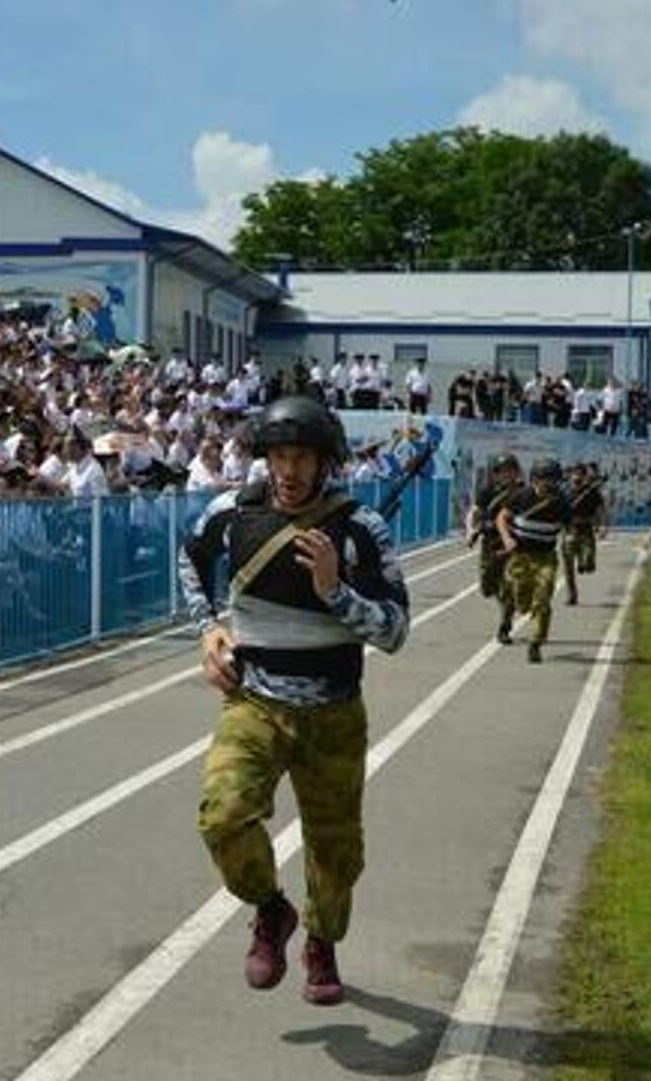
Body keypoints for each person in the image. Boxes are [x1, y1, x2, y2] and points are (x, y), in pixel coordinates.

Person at [179, 395, 410, 1007]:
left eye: (303, 457)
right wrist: (207, 627)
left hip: (334, 712)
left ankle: (321, 942)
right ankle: (270, 910)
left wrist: (336, 591)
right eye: (279, 456)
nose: (289, 470)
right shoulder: (231, 512)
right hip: (252, 702)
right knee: (223, 815)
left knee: (335, 848)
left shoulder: (362, 528)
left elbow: (394, 632)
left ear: (326, 462)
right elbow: (190, 558)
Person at [495, 457, 567, 663]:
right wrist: (507, 539)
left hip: (545, 558)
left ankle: (536, 642)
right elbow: (501, 517)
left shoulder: (561, 502)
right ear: (535, 479)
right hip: (520, 557)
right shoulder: (521, 496)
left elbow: (568, 524)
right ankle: (511, 618)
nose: (551, 484)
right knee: (521, 600)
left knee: (543, 599)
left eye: (554, 480)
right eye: (547, 479)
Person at [468, 454, 521, 604]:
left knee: (508, 580)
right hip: (490, 542)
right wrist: (471, 530)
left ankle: (507, 611)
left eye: (509, 470)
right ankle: (505, 603)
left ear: (516, 472)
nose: (505, 474)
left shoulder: (524, 492)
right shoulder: (487, 492)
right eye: (500, 471)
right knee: (488, 587)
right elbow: (474, 512)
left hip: (513, 542)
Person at [560, 462, 606, 607]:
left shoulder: (592, 492)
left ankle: (584, 561)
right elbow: (557, 510)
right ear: (571, 475)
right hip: (569, 529)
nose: (577, 477)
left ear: (585, 476)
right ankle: (571, 595)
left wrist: (602, 526)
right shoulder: (565, 491)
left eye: (580, 474)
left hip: (586, 528)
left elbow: (600, 510)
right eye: (575, 474)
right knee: (568, 566)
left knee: (589, 563)